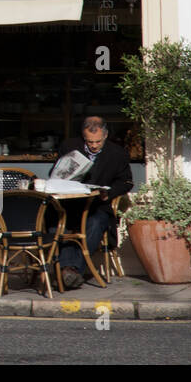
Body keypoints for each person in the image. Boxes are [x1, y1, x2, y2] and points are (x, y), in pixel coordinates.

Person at [56, 116, 133, 290]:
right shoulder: (69, 147)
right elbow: (56, 171)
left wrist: (109, 193)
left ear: (105, 136)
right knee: (60, 223)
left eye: (98, 141)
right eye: (89, 141)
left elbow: (126, 181)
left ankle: (72, 270)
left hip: (99, 205)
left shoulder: (117, 153)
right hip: (71, 203)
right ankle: (69, 269)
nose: (94, 145)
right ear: (83, 137)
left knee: (95, 223)